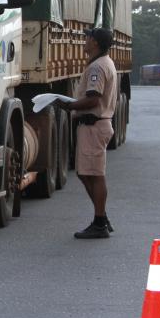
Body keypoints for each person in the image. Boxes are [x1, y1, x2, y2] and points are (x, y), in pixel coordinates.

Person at [58, 27, 118, 239]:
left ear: (95, 42)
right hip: (94, 125)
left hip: (94, 125)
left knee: (95, 174)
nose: (84, 40)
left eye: (87, 37)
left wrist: (70, 105)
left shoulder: (97, 67)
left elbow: (93, 98)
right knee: (86, 173)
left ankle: (100, 222)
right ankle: (101, 217)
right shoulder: (104, 63)